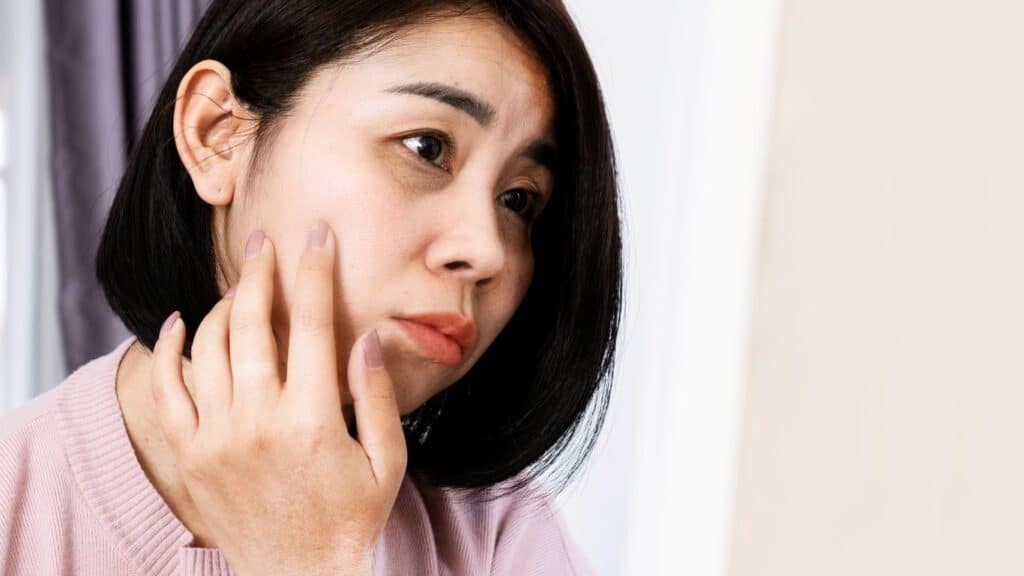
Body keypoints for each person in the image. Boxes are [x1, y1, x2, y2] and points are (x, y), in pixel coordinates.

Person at [0, 0, 622, 574]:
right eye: (426, 147)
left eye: (518, 200)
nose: (487, 250)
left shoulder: (500, 539)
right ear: (217, 134)